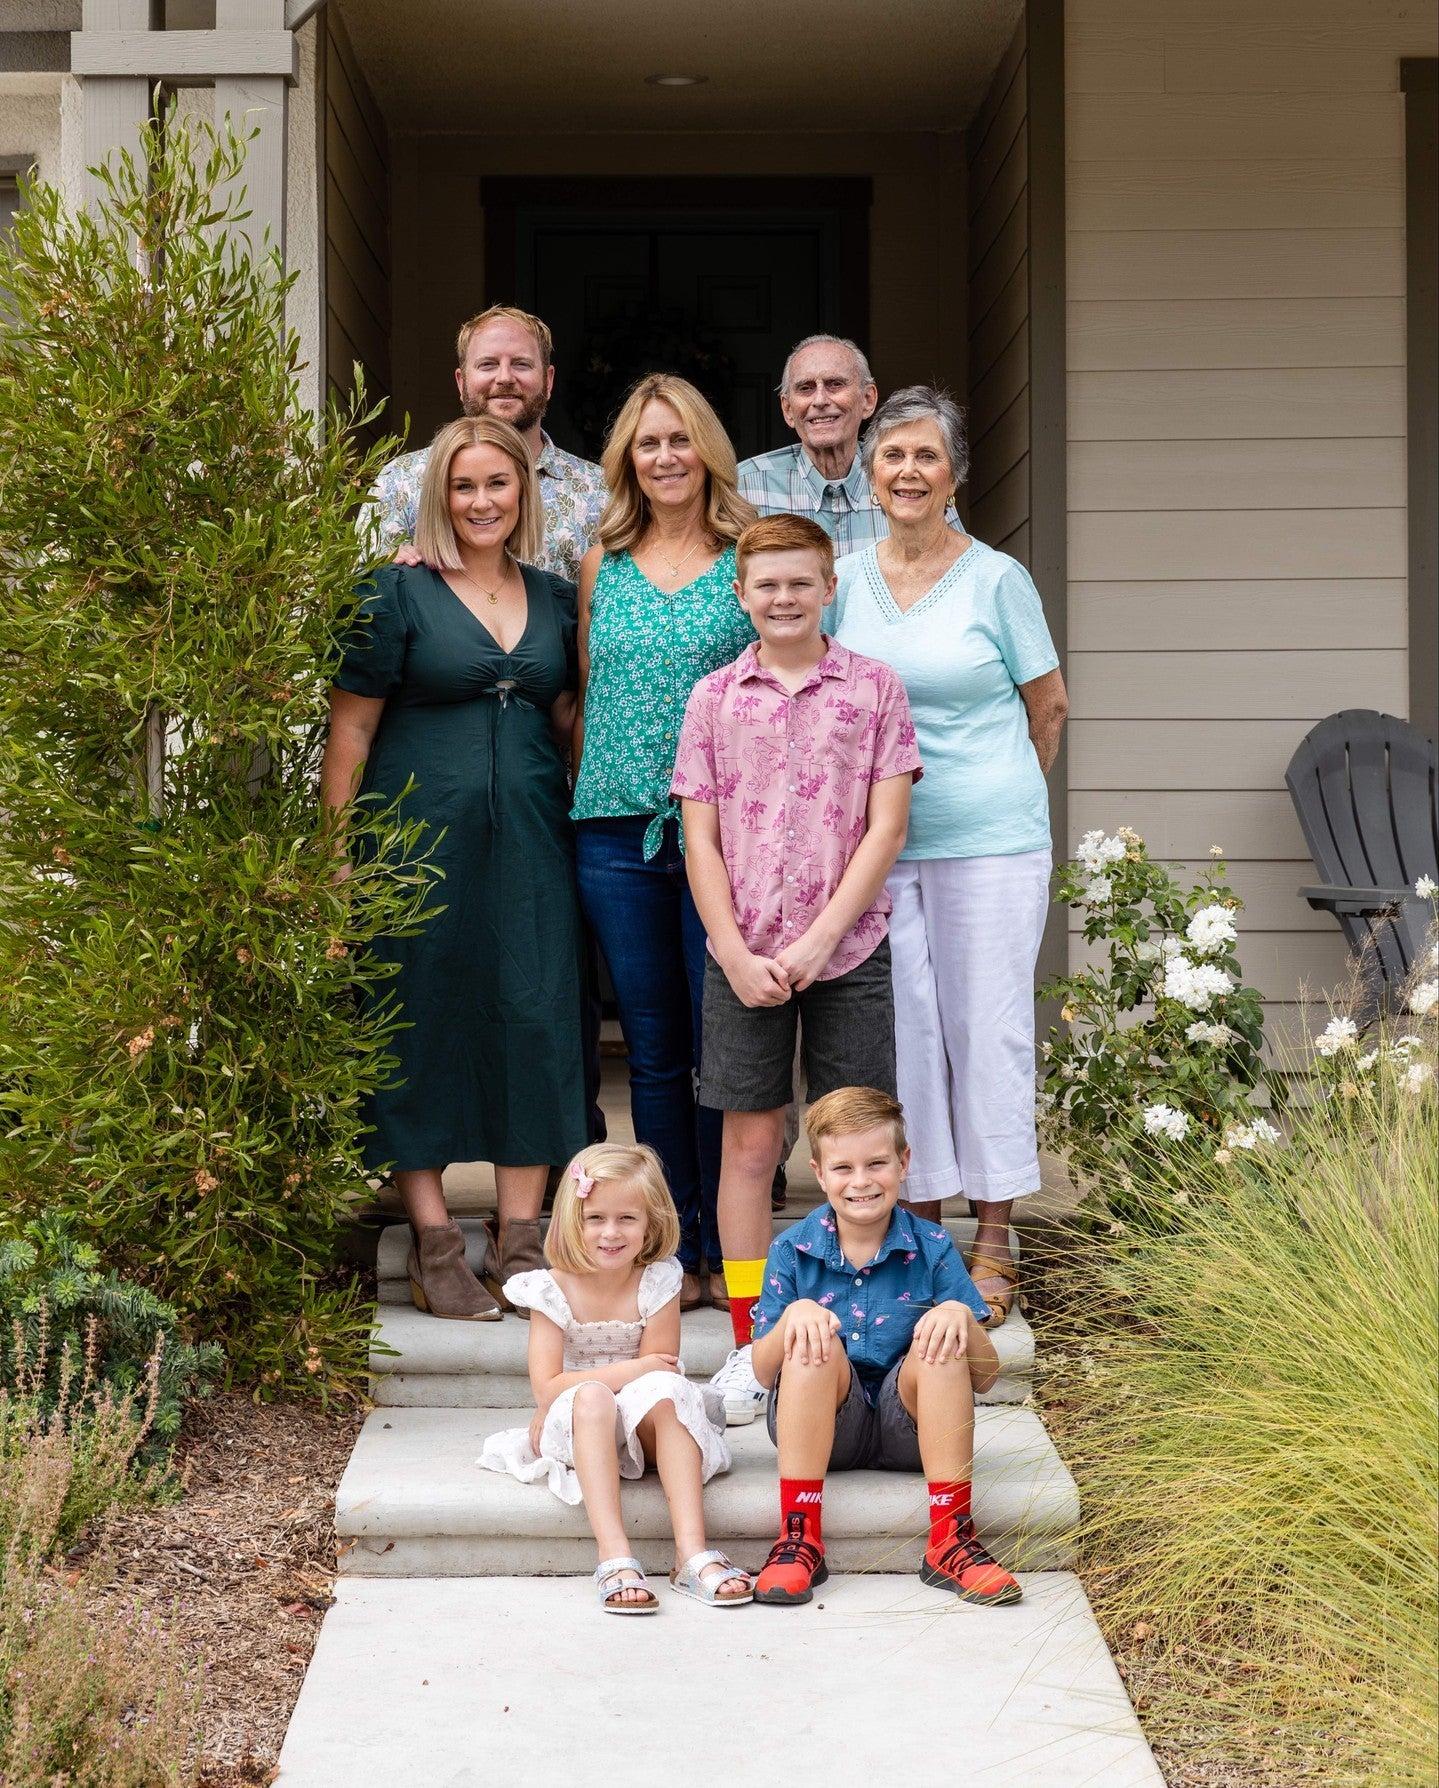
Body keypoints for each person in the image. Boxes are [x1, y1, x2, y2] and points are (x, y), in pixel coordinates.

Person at [321, 415, 587, 1320]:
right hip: (411, 843)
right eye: (463, 487)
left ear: (524, 493)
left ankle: (518, 1242)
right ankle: (436, 1240)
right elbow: (350, 729)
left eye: (497, 485)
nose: (481, 502)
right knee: (415, 1016)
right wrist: (335, 863)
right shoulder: (392, 593)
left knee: (535, 1012)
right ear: (439, 495)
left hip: (532, 841)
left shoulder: (556, 598)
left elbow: (569, 722)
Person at [672, 513, 920, 1426]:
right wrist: (733, 949)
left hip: (846, 950)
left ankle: (863, 1326)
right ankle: (750, 1341)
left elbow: (885, 827)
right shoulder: (712, 699)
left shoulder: (875, 691)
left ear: (828, 589)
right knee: (748, 1143)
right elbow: (699, 836)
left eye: (798, 583)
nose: (782, 598)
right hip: (743, 955)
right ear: (741, 596)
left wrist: (819, 939)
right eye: (764, 585)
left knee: (851, 1147)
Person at [828, 387, 1069, 1326]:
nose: (908, 472)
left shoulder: (996, 579)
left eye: (926, 456)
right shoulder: (844, 576)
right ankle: (919, 1232)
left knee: (989, 1029)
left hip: (991, 842)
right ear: (869, 474)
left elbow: (1045, 706)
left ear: (955, 474)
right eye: (891, 457)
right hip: (877, 848)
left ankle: (995, 1232)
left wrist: (991, 792)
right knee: (906, 1041)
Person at [570, 375, 757, 1314]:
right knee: (648, 1049)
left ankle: (734, 1247)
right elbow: (580, 691)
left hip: (722, 837)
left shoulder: (745, 557)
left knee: (721, 1045)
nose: (666, 457)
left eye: (681, 440)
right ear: (626, 461)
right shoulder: (600, 561)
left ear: (707, 450)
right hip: (611, 828)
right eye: (647, 444)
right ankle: (674, 1247)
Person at [748, 1086, 1021, 1609]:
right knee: (811, 1342)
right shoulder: (790, 1249)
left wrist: (961, 1316)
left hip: (913, 1433)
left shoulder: (934, 1247)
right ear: (819, 1172)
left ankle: (951, 1539)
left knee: (941, 1341)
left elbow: (985, 1377)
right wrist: (792, 1323)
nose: (861, 1181)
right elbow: (762, 1374)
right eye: (843, 1168)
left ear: (903, 1163)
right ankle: (799, 1534)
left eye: (876, 1163)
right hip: (825, 1431)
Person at [478, 1143, 749, 1613]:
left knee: (667, 1391)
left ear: (651, 1224)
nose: (611, 1232)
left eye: (627, 1218)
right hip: (580, 1419)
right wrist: (633, 1369)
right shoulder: (550, 1289)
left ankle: (691, 1552)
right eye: (595, 1218)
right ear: (571, 1221)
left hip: (643, 1419)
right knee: (594, 1397)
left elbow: (660, 1373)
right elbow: (548, 1387)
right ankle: (615, 1553)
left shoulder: (658, 1280)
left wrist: (642, 1372)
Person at [364, 304, 606, 582]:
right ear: (461, 382)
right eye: (488, 364)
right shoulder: (401, 481)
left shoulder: (598, 493)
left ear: (548, 381)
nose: (504, 378)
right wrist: (383, 566)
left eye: (521, 364)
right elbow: (359, 600)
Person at [736, 335, 960, 558]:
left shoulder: (906, 480)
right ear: (787, 409)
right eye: (806, 388)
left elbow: (955, 568)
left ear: (868, 400)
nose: (820, 400)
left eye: (835, 384)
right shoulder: (746, 486)